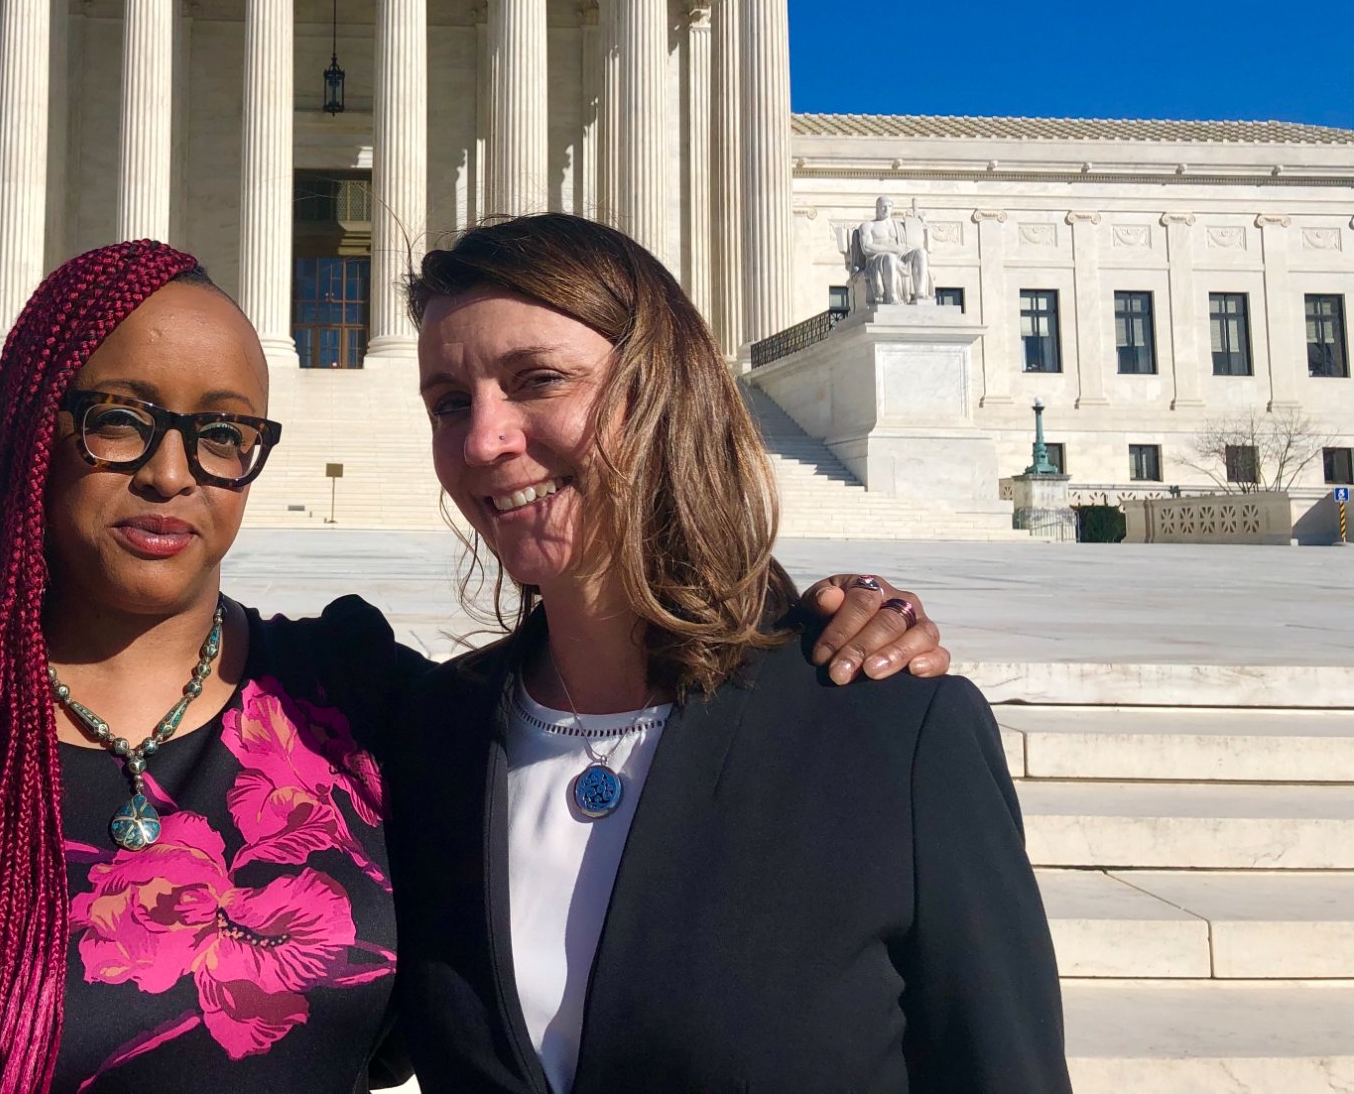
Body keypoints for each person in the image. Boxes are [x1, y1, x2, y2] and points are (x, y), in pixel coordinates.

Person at [0, 241, 952, 1094]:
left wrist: (818, 616)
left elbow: (602, 706)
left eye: (221, 434)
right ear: (28, 431)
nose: (171, 473)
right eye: (118, 419)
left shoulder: (347, 704)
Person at [388, 214, 1068, 1094]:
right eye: (449, 403)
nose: (484, 440)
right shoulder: (428, 739)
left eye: (540, 380)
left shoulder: (889, 729)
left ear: (663, 390)